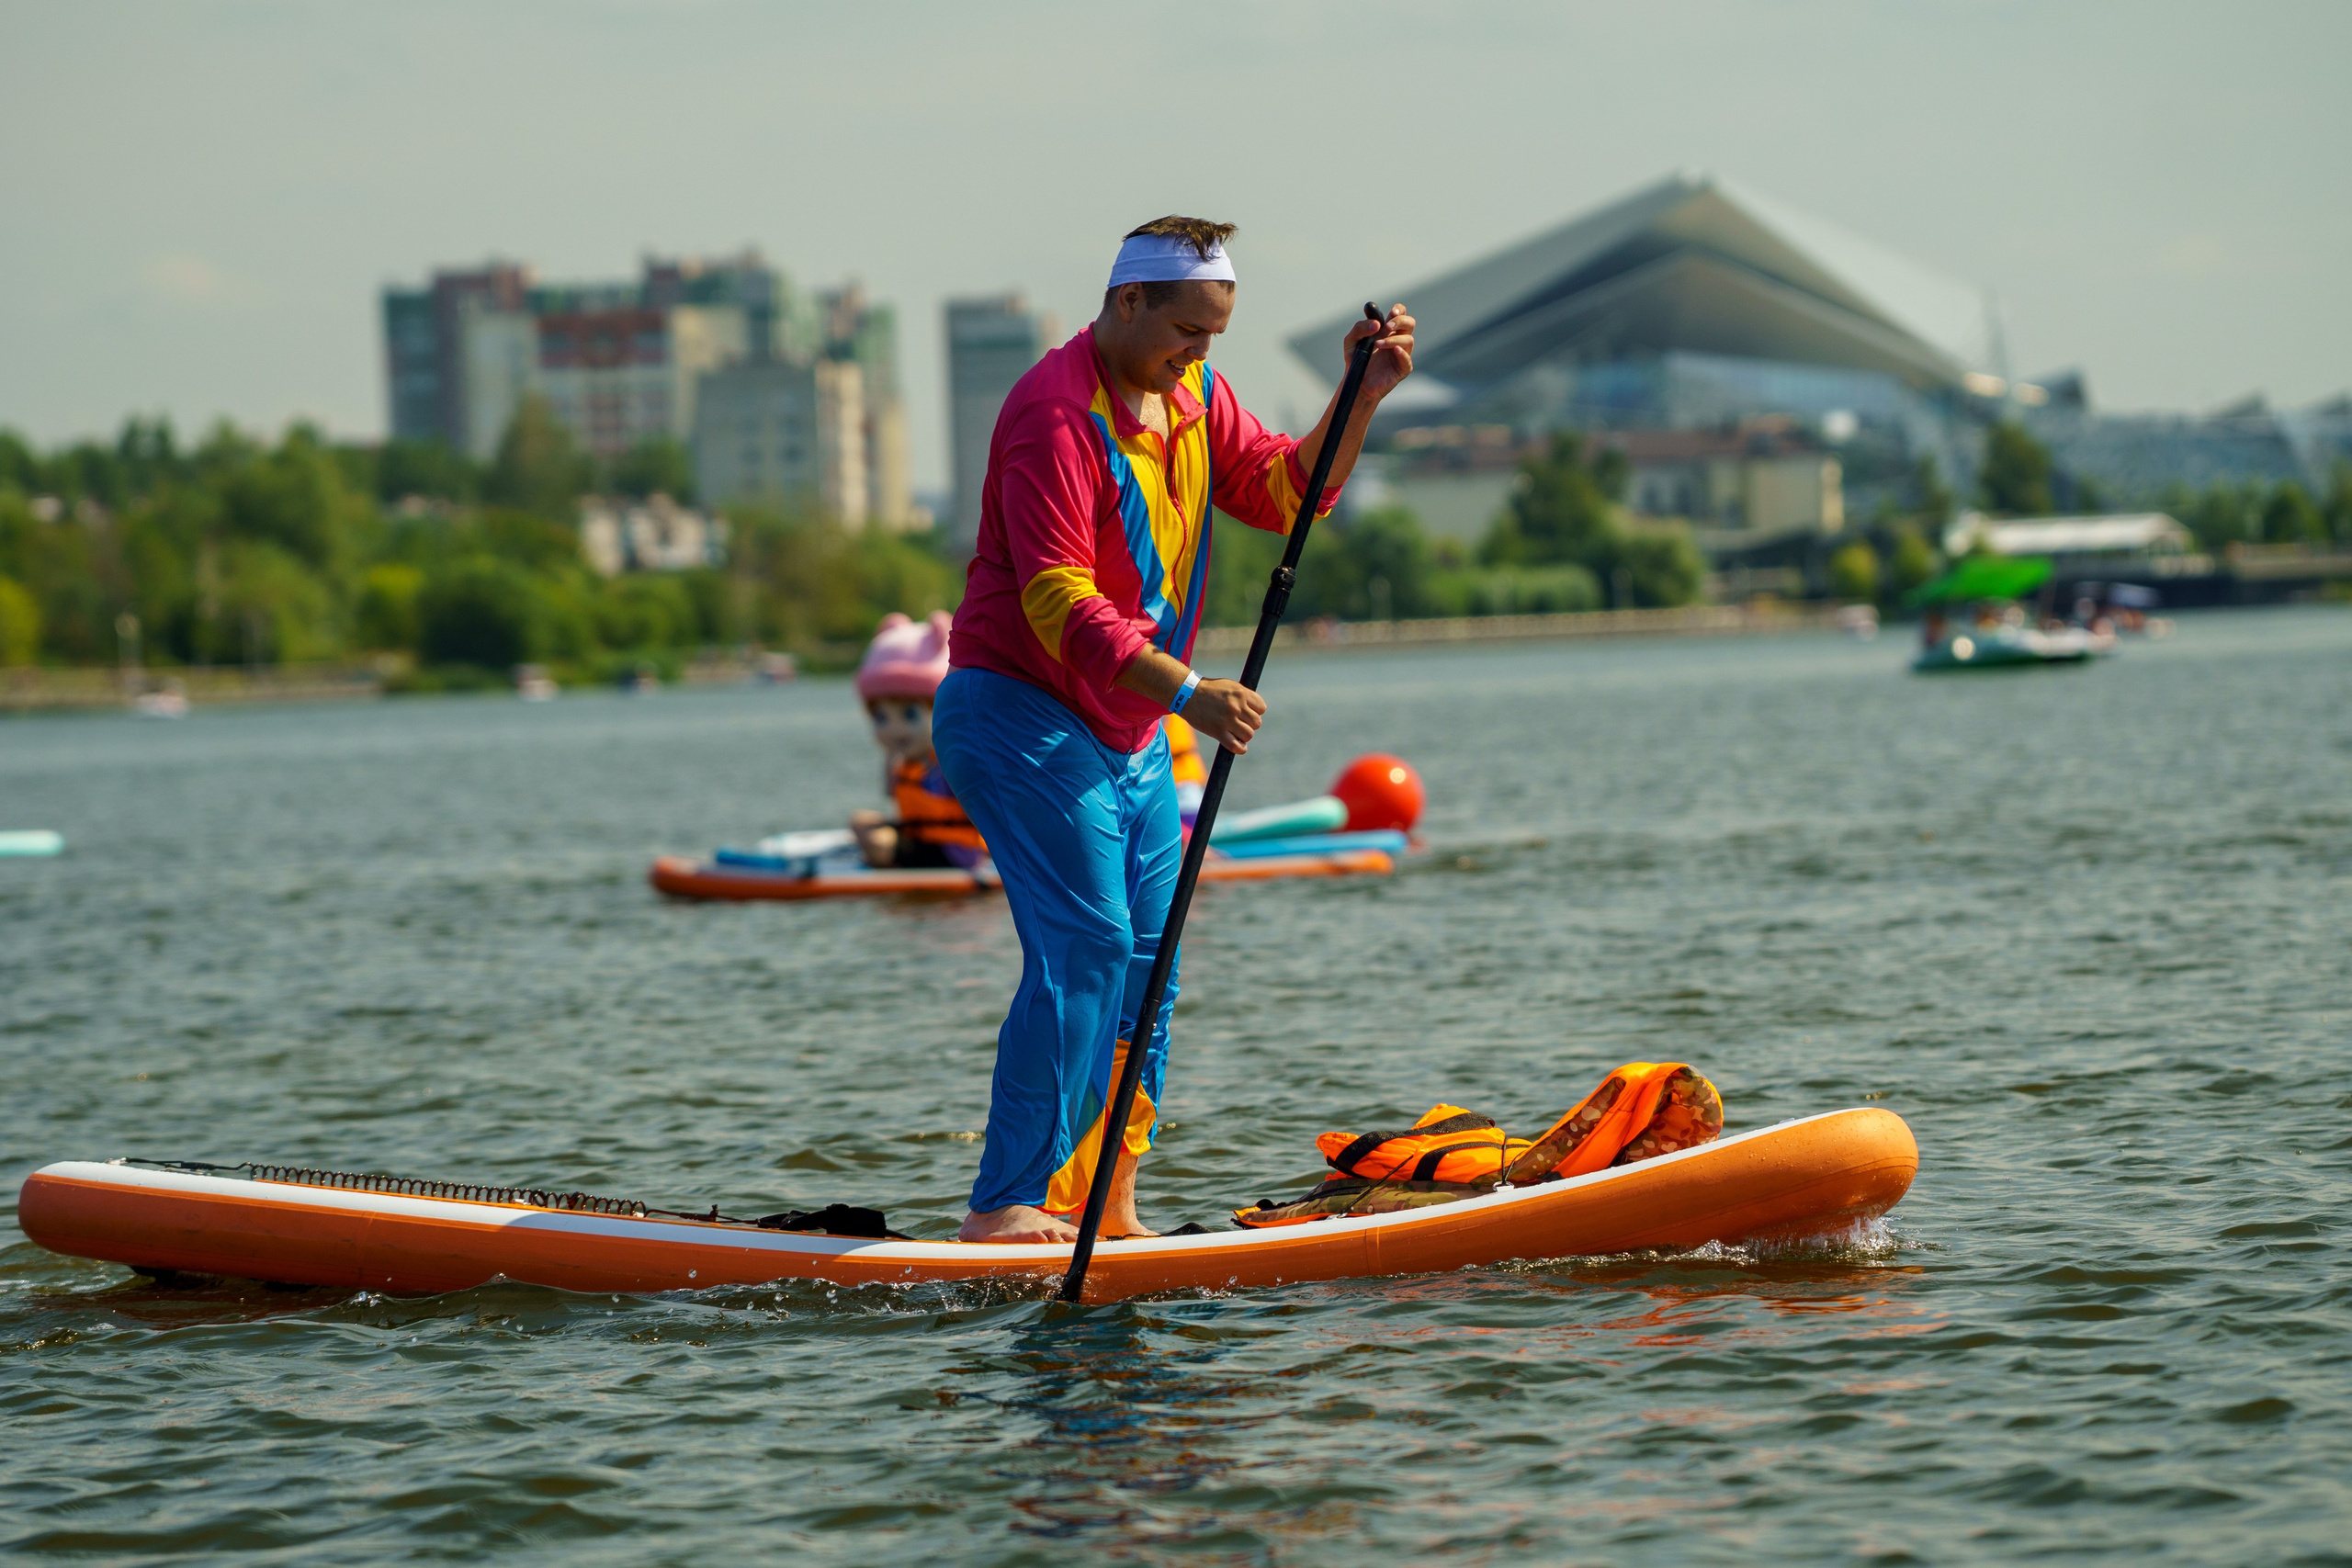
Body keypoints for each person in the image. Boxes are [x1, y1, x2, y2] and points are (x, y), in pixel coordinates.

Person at [931, 216, 1415, 1243]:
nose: (1197, 356)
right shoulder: (1051, 416)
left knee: (1150, 964)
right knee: (1088, 944)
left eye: (1214, 339)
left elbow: (1291, 492)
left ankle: (1105, 1206)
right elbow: (1058, 602)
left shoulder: (1192, 397)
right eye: (1184, 332)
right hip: (1018, 707)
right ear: (1125, 303)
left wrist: (1357, 400)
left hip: (1132, 724)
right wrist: (1189, 691)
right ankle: (1005, 1206)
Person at [847, 611, 987, 871]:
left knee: (876, 841)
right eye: (881, 717)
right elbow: (896, 795)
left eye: (909, 714)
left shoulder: (950, 762)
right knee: (860, 821)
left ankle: (886, 857)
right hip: (920, 839)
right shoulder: (908, 763)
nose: (894, 729)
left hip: (955, 853)